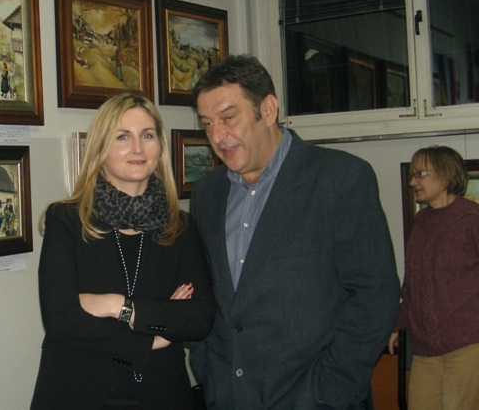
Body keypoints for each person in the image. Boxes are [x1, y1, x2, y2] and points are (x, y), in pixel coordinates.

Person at [187, 55, 399, 409]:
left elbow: (375, 295)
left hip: (316, 398)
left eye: (228, 117)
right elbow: (207, 293)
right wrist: (208, 372)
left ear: (268, 110)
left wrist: (328, 391)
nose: (217, 136)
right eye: (207, 124)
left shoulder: (340, 179)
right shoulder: (208, 193)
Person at [31, 93, 215, 409]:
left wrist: (117, 306)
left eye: (147, 135)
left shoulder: (181, 227)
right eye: (122, 137)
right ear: (100, 148)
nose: (138, 148)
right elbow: (62, 320)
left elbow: (200, 317)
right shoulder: (67, 220)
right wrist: (153, 337)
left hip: (161, 393)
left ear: (160, 147)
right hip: (77, 392)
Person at [388, 146, 479, 410]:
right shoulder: (421, 222)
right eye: (412, 175)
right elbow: (414, 284)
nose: (412, 182)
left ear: (445, 174)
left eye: (420, 174)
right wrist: (397, 324)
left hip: (468, 345)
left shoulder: (471, 218)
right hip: (425, 348)